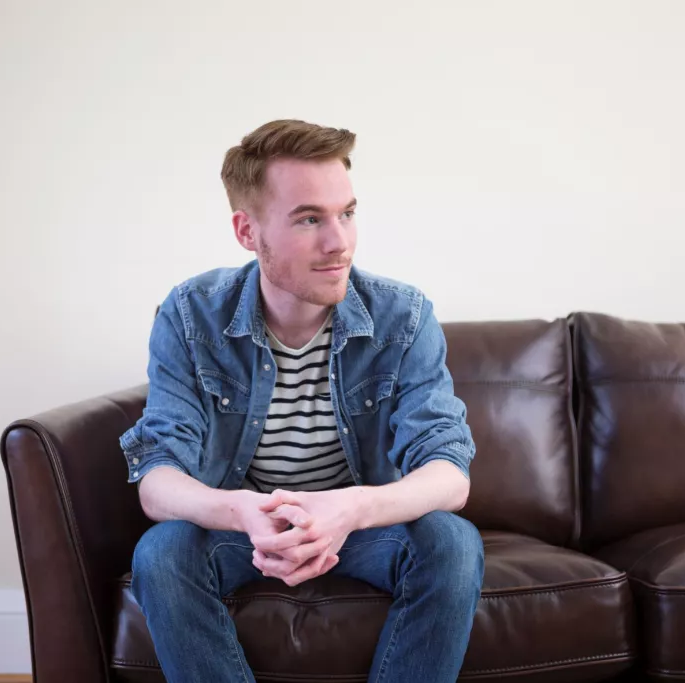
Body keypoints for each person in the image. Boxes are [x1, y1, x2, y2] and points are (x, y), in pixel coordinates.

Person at [120, 119, 483, 683]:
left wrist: (350, 509)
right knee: (163, 553)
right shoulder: (191, 315)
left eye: (347, 213)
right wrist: (242, 511)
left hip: (358, 529)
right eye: (310, 219)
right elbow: (158, 479)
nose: (339, 241)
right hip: (242, 532)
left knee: (451, 544)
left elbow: (448, 474)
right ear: (248, 231)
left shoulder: (404, 316)